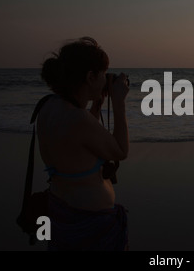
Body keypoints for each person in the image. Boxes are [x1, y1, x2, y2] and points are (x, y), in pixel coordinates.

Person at [38, 37, 130, 250]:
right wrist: (119, 103)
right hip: (91, 225)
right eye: (102, 74)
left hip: (62, 212)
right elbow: (120, 151)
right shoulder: (78, 119)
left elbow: (78, 142)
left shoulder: (48, 106)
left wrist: (96, 106)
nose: (105, 79)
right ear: (90, 76)